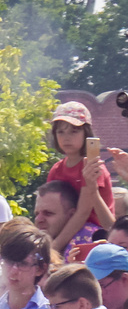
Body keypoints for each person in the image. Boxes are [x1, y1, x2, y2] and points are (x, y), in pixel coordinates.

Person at [44, 103, 116, 256]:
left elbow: (82, 213)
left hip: (94, 234)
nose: (66, 137)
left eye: (74, 131)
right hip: (64, 230)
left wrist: (54, 247)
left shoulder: (93, 167)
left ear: (86, 133)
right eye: (61, 132)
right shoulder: (56, 169)